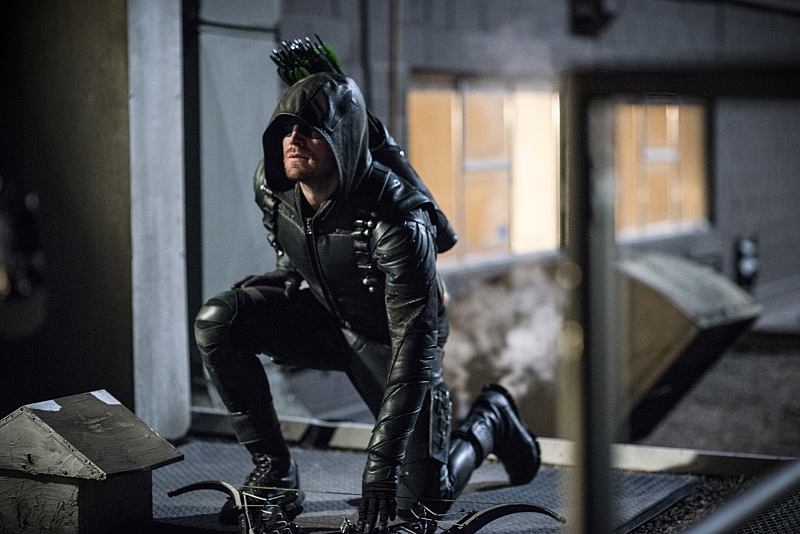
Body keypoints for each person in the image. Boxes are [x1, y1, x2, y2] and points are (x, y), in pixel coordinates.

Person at [194, 71, 541, 534]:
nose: (293, 139)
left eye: (310, 129)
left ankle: (492, 419)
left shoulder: (397, 220)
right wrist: (281, 282)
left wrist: (381, 464)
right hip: (325, 317)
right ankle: (275, 472)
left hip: (392, 344)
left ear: (342, 139)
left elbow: (414, 349)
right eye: (286, 128)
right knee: (219, 319)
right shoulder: (271, 186)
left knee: (424, 500)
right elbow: (291, 249)